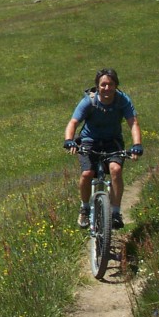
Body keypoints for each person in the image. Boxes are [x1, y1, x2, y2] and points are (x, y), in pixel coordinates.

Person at [63, 68, 143, 230]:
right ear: (98, 86)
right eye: (103, 85)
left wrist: (137, 145)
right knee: (87, 174)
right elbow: (73, 123)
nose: (107, 88)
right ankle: (84, 208)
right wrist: (69, 141)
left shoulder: (122, 101)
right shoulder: (89, 101)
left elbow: (133, 123)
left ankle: (115, 212)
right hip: (89, 141)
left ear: (116, 86)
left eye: (111, 84)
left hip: (112, 141)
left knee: (115, 170)